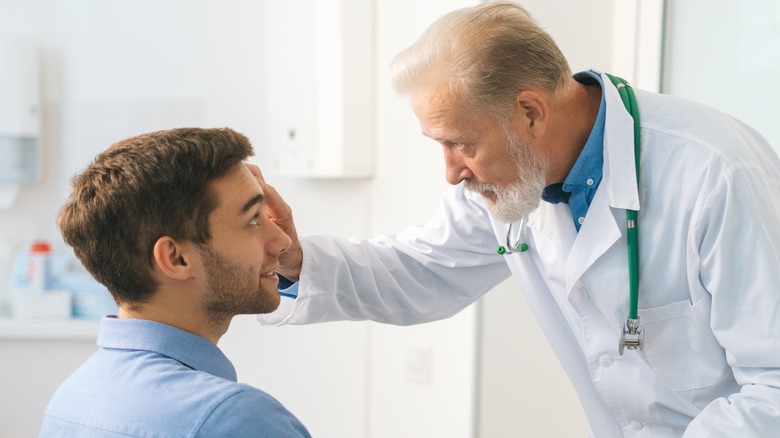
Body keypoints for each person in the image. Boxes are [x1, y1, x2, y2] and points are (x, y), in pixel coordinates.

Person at [254, 2, 780, 437]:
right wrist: (295, 261)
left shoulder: (715, 173)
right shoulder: (509, 182)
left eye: (461, 143)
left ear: (530, 112)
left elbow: (774, 388)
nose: (451, 173)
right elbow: (423, 268)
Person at [41, 128, 311, 437]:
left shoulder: (69, 401)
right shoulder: (238, 419)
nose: (282, 240)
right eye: (252, 219)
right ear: (176, 258)